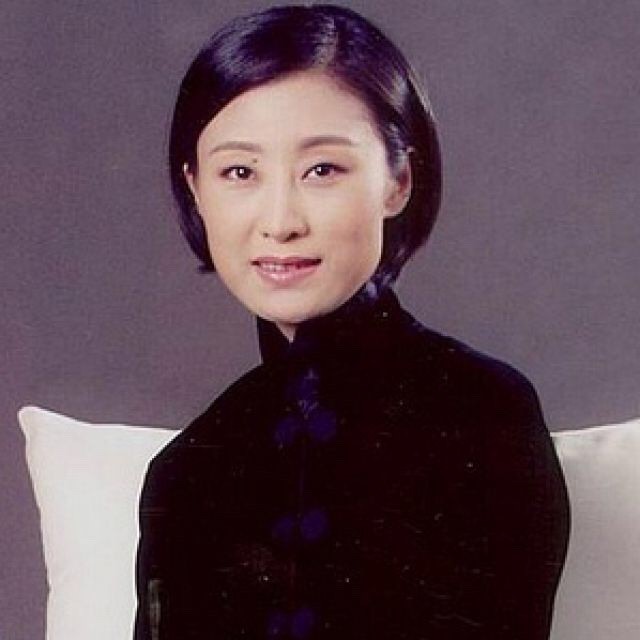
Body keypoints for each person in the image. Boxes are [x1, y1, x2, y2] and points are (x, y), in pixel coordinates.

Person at [134, 5, 570, 639]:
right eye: (240, 172)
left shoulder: (484, 413)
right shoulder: (184, 472)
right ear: (196, 190)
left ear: (398, 181)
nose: (280, 221)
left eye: (322, 170)